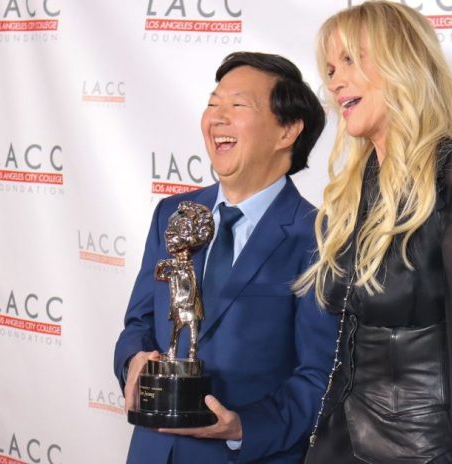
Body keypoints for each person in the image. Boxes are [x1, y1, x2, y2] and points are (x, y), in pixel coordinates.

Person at [295, 2, 452, 463]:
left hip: (424, 451)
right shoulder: (354, 188)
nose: (335, 81)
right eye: (331, 68)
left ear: (402, 63)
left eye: (351, 60)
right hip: (338, 443)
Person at [114, 51, 337, 464]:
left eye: (237, 106)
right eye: (213, 104)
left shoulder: (320, 237)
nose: (217, 117)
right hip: (152, 451)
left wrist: (243, 427)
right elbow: (140, 322)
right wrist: (133, 359)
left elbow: (319, 375)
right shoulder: (173, 215)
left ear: (287, 130)